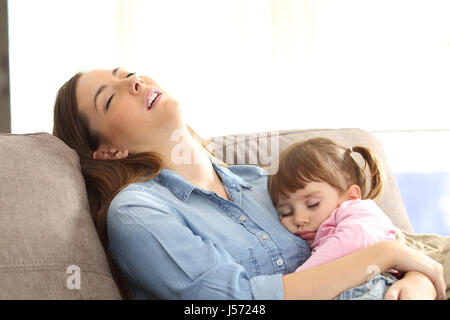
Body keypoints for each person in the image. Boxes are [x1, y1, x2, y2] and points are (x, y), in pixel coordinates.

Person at [52, 67, 445, 300]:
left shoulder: (270, 186)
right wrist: (386, 255)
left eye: (127, 73)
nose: (134, 81)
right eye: (110, 98)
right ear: (109, 152)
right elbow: (237, 301)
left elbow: (372, 232)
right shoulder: (138, 213)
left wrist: (417, 281)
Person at [267, 137, 403, 299]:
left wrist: (299, 279)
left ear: (351, 196)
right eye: (286, 212)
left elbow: (352, 241)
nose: (298, 218)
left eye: (313, 204)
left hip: (374, 284)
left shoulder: (360, 209)